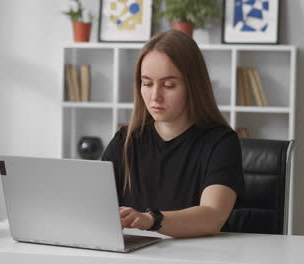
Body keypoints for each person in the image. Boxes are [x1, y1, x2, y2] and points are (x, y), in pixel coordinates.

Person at [101, 30, 245, 238]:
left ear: (193, 87)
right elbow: (97, 208)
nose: (155, 96)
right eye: (147, 83)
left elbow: (213, 216)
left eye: (168, 85)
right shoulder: (125, 140)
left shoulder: (221, 142)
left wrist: (151, 220)